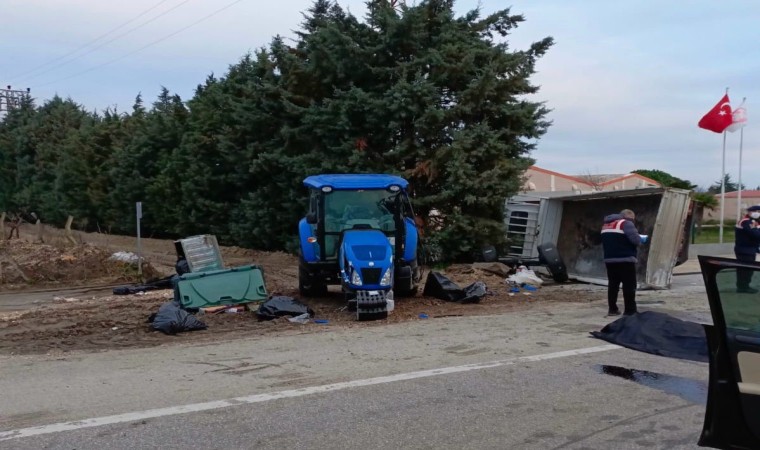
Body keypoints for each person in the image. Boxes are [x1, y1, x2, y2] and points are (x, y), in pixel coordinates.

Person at [601, 209, 645, 316]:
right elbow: (636, 240)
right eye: (633, 219)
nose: (633, 222)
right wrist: (641, 239)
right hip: (625, 259)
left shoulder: (606, 225)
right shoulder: (626, 224)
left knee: (613, 285)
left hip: (609, 259)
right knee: (629, 285)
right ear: (629, 217)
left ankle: (612, 309)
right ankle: (630, 311)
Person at [734, 205, 760, 293]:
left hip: (748, 249)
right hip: (745, 250)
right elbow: (756, 235)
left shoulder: (751, 221)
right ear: (750, 212)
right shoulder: (746, 222)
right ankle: (743, 287)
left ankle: (744, 286)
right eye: (758, 212)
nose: (758, 214)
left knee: (747, 269)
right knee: (745, 270)